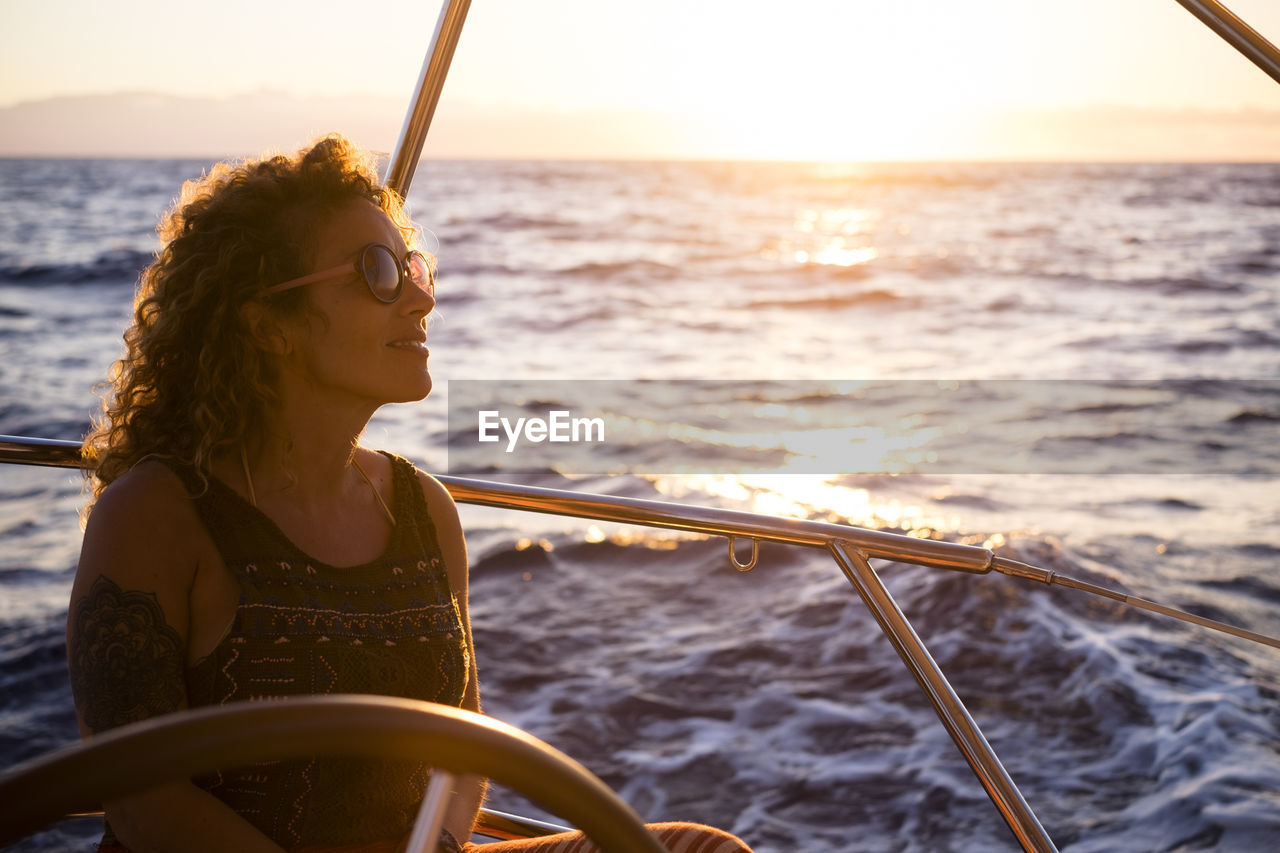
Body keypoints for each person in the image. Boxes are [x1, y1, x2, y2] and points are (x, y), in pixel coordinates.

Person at [68, 135, 751, 853]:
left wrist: (444, 845)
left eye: (413, 266)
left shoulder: (423, 509)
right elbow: (142, 798)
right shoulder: (157, 516)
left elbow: (461, 749)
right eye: (378, 272)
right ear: (269, 325)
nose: (421, 296)